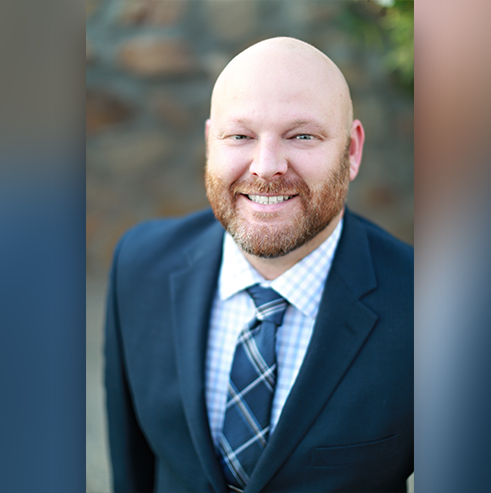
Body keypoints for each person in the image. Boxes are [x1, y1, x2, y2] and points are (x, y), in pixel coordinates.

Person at [104, 37, 413, 492]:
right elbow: (132, 470)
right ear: (211, 142)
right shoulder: (140, 264)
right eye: (241, 136)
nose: (266, 167)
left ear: (351, 151)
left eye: (302, 135)